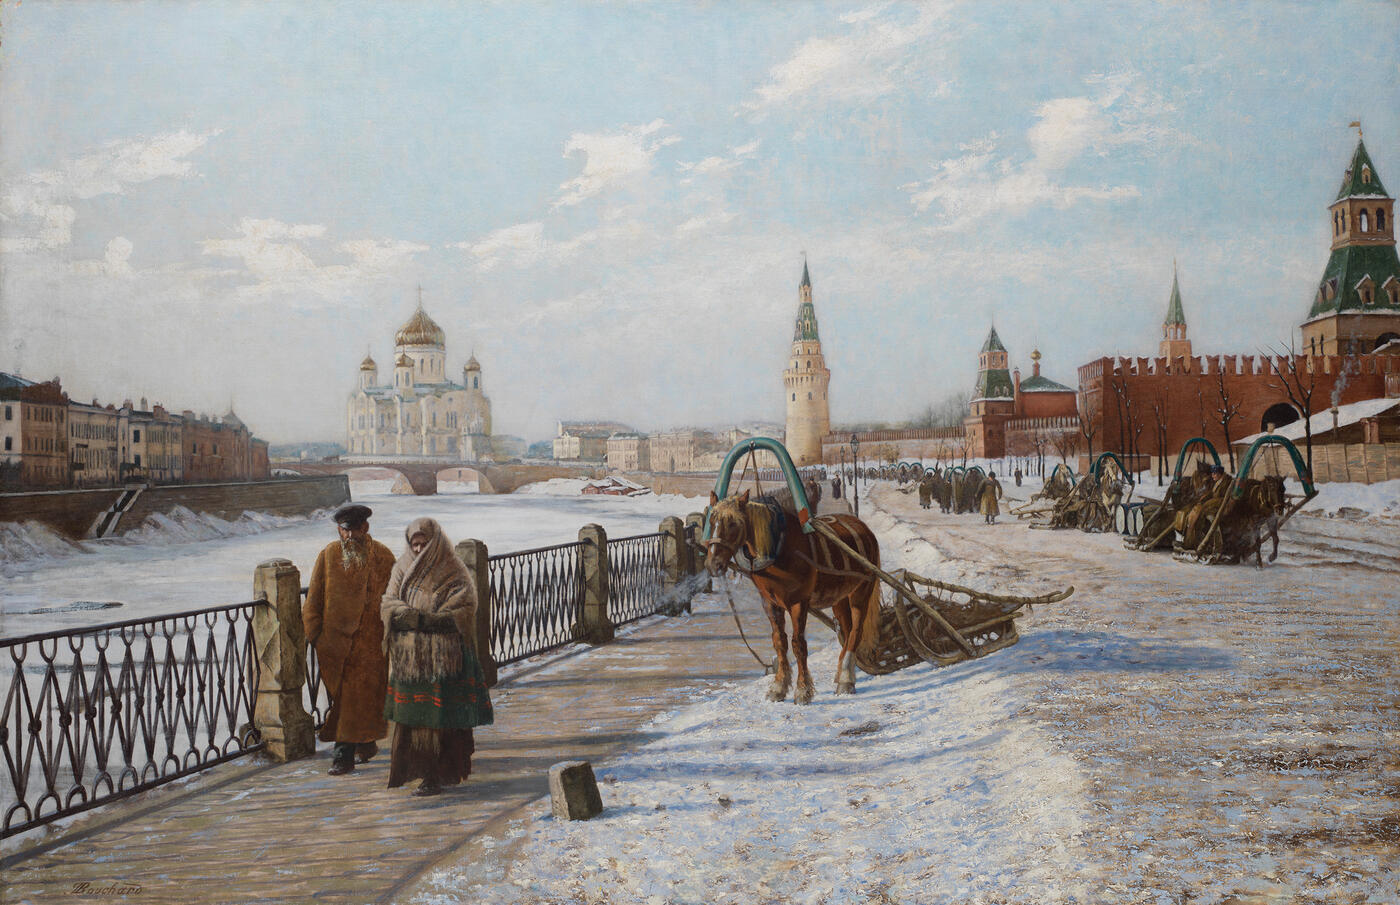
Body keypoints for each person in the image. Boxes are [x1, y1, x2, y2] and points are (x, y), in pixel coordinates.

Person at [381, 517, 494, 796]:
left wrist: (427, 621)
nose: (419, 549)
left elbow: (465, 605)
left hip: (444, 656)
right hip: (410, 658)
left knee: (439, 719)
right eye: (414, 544)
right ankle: (418, 771)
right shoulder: (401, 567)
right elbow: (388, 601)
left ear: (435, 542)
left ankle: (439, 774)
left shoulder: (453, 568)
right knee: (414, 720)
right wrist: (401, 615)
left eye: (423, 543)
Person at [303, 504, 396, 775]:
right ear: (339, 530)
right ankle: (365, 744)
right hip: (334, 644)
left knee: (353, 699)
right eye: (345, 530)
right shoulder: (329, 555)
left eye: (355, 529)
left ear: (365, 528)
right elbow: (314, 599)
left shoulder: (383, 556)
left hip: (370, 643)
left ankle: (342, 756)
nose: (350, 536)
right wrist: (315, 635)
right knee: (351, 699)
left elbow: (394, 595)